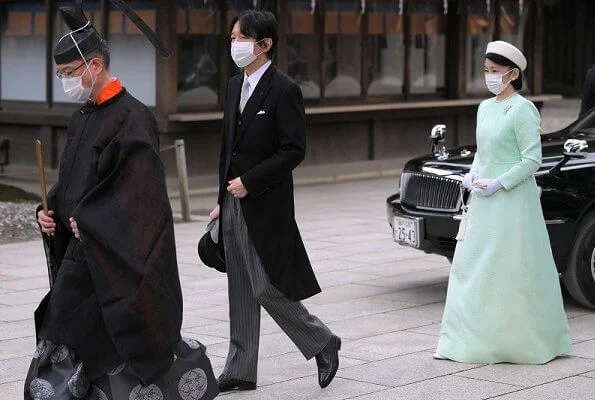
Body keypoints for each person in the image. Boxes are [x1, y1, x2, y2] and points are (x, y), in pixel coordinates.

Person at [26, 2, 218, 399]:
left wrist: (92, 220)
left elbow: (141, 195)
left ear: (94, 66)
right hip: (83, 252)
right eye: (60, 74)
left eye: (68, 73)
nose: (65, 81)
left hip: (115, 256)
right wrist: (51, 212)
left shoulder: (134, 118)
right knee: (70, 333)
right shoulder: (82, 118)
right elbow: (73, 182)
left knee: (108, 337)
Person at [209, 9, 341, 393]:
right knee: (239, 287)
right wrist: (222, 197)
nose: (235, 45)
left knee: (265, 286)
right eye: (232, 38)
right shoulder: (234, 86)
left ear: (265, 45)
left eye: (242, 39)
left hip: (265, 202)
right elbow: (227, 148)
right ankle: (240, 367)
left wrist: (250, 182)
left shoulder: (285, 89)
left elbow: (293, 150)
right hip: (232, 201)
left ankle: (321, 341)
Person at [434, 40, 573, 364]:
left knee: (509, 269)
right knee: (471, 266)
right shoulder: (485, 107)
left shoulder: (524, 109)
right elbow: (484, 151)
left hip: (512, 201)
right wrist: (472, 175)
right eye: (486, 71)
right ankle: (462, 341)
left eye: (495, 71)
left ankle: (518, 341)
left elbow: (532, 159)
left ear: (513, 73)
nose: (489, 77)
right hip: (483, 198)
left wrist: (500, 182)